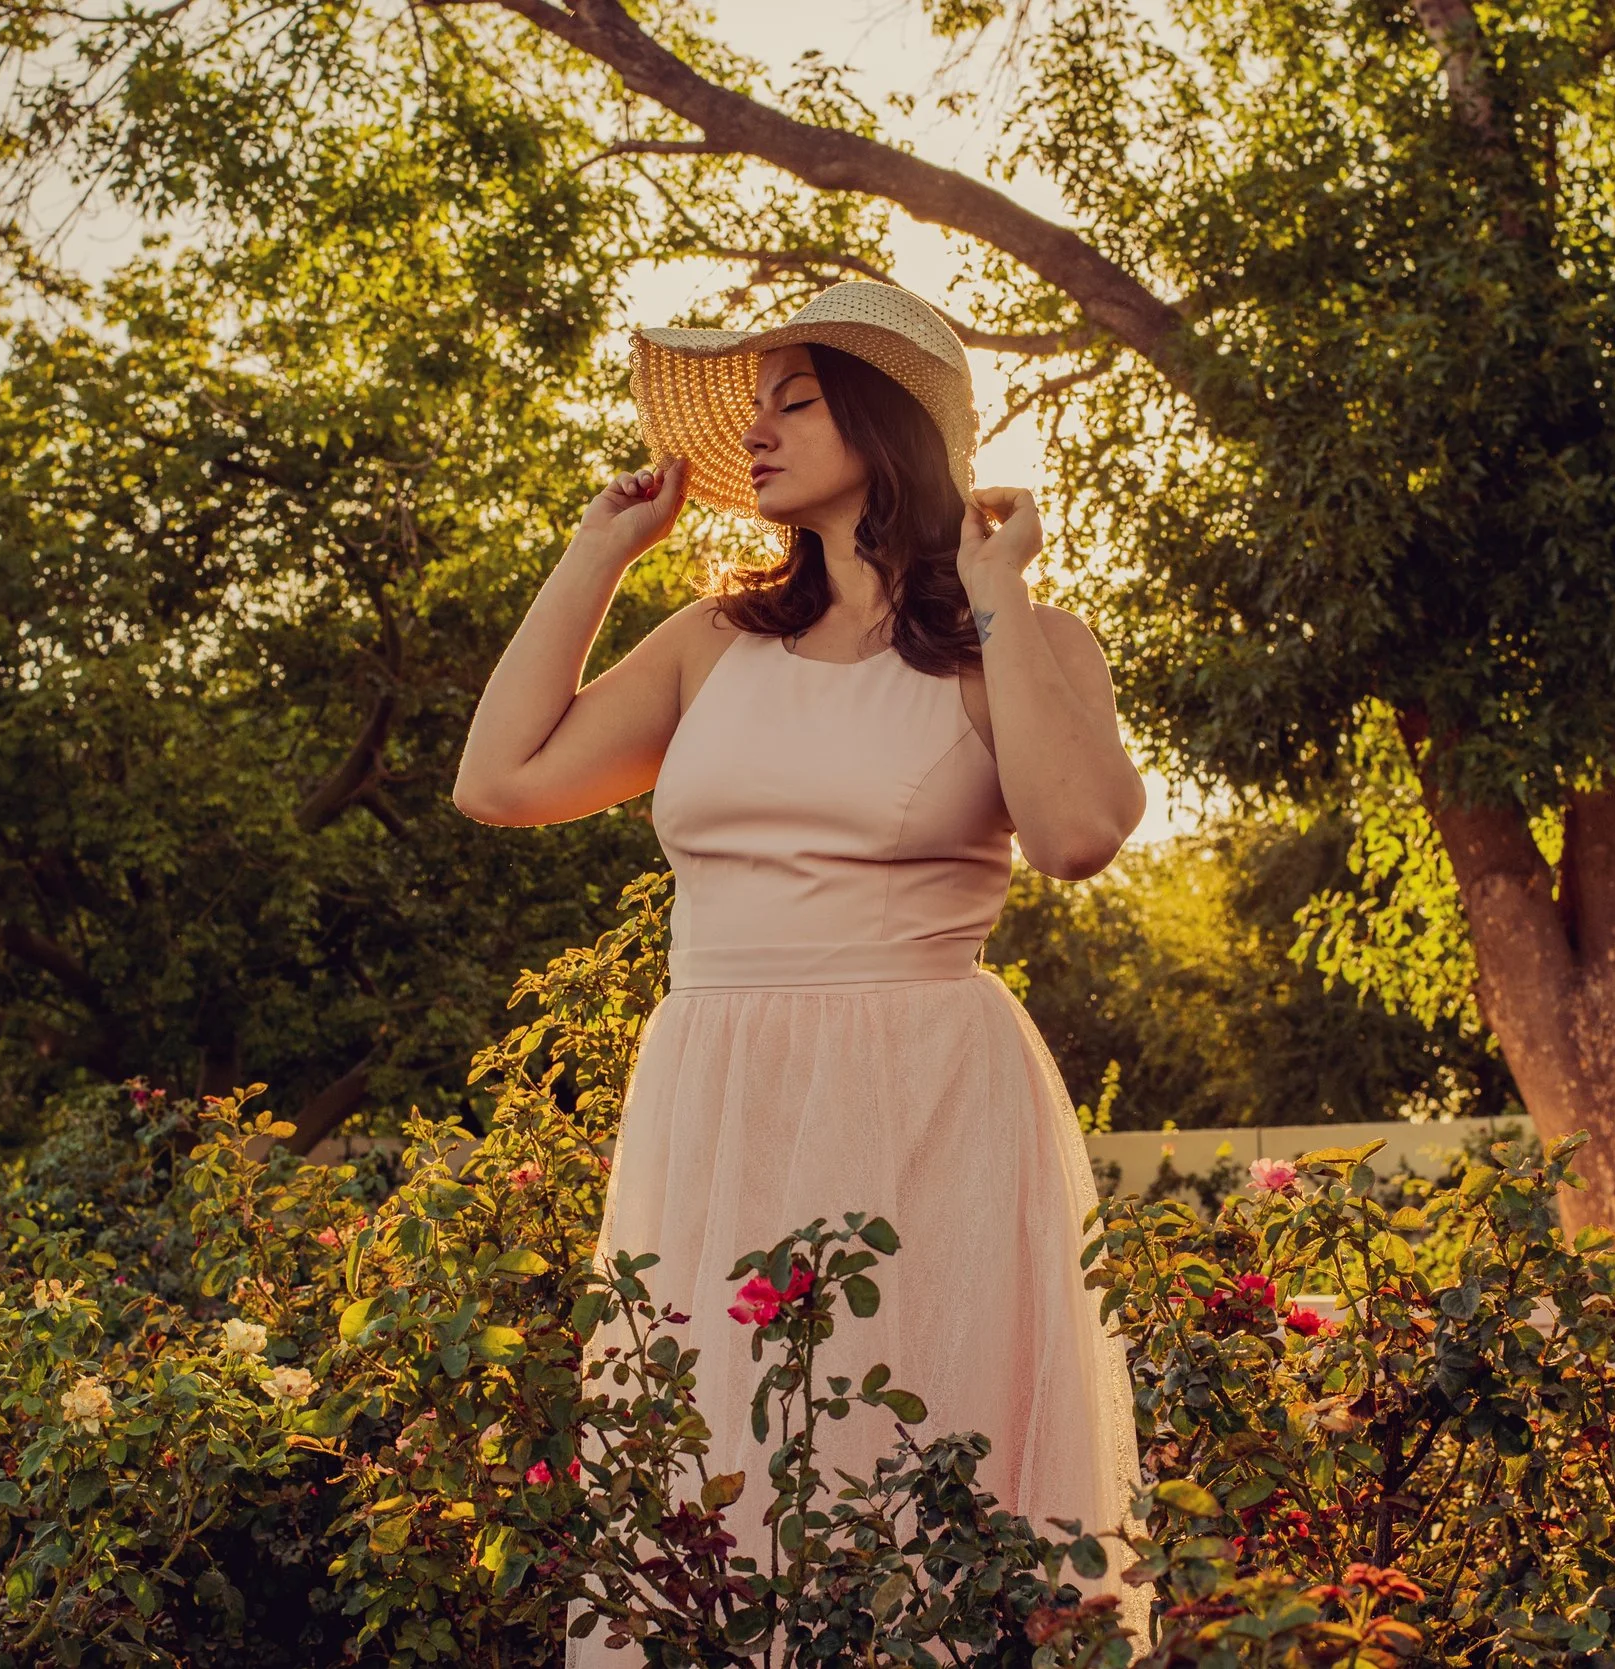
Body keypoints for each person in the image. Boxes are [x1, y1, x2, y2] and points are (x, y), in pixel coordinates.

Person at [452, 281, 1149, 1658]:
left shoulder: (1020, 640)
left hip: (924, 1096)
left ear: (886, 424)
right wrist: (598, 555)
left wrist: (1000, 591)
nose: (757, 432)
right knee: (715, 1468)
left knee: (913, 1455)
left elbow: (1075, 835)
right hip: (719, 1098)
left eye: (796, 398)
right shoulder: (717, 641)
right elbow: (498, 783)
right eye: (751, 404)